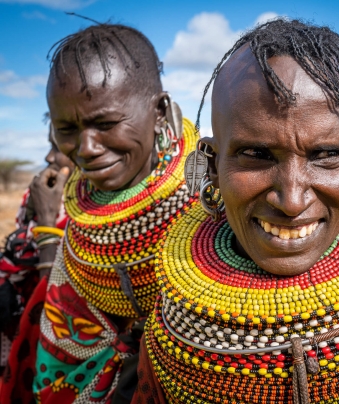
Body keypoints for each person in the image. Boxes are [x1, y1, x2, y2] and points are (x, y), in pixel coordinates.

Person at [133, 19, 339, 403]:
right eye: (257, 155)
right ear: (211, 166)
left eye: (326, 156)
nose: (292, 202)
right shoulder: (171, 337)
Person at [0, 23, 198, 403]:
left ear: (159, 111)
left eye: (106, 124)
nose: (87, 148)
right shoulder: (82, 224)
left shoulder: (209, 205)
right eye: (66, 129)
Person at [0, 117, 73, 376]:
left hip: (55, 341)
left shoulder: (88, 217)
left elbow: (53, 304)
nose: (49, 157)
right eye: (49, 146)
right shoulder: (40, 195)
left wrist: (47, 220)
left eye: (57, 148)